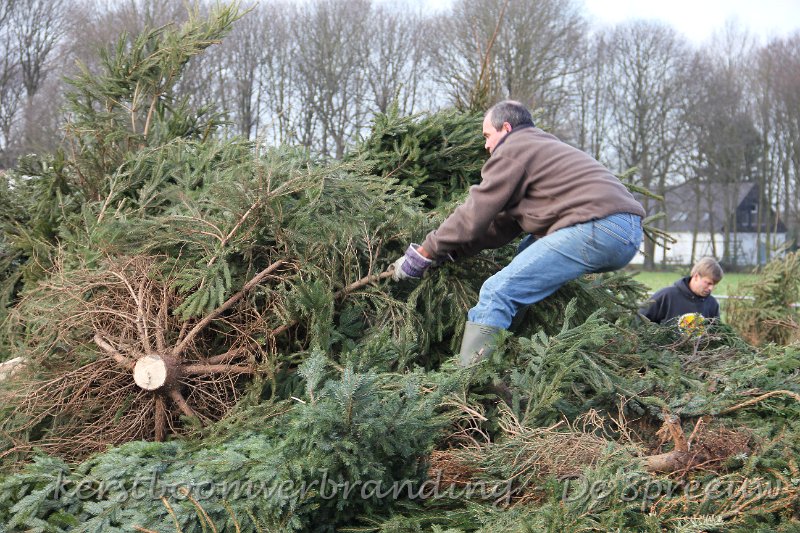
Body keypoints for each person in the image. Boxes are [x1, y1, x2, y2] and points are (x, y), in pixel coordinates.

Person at [391, 100, 645, 366]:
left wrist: (425, 252)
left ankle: (468, 378)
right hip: (624, 233)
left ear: (507, 128)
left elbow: (474, 213)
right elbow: (501, 225)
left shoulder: (513, 148)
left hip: (597, 227)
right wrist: (451, 251)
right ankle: (507, 355)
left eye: (487, 136)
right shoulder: (540, 150)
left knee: (497, 292)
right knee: (523, 260)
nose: (486, 145)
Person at [640, 257, 723, 325]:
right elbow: (639, 320)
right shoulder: (666, 296)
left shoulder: (712, 304)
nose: (711, 288)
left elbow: (716, 334)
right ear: (696, 277)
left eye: (714, 285)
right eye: (708, 283)